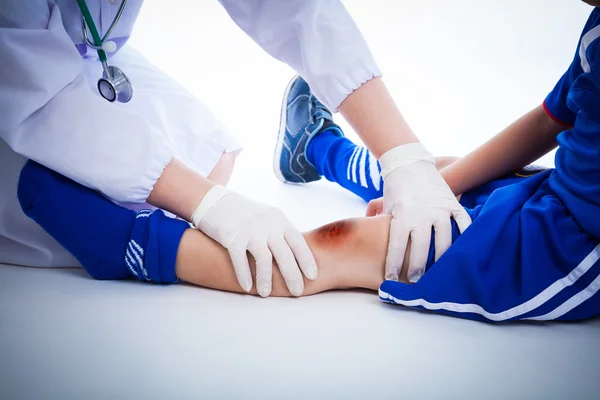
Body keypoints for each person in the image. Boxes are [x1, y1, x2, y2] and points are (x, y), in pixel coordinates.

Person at [0, 0, 469, 298]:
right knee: (77, 197)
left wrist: (405, 158)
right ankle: (129, 243)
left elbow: (294, 10)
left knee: (212, 155)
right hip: (20, 79)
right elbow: (33, 90)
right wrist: (206, 203)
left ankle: (315, 145)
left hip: (85, 53)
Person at [274, 4, 600, 321]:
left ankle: (226, 250)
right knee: (429, 176)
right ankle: (315, 148)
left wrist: (220, 207)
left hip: (565, 249)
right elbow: (549, 120)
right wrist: (430, 188)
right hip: (553, 195)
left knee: (343, 241)